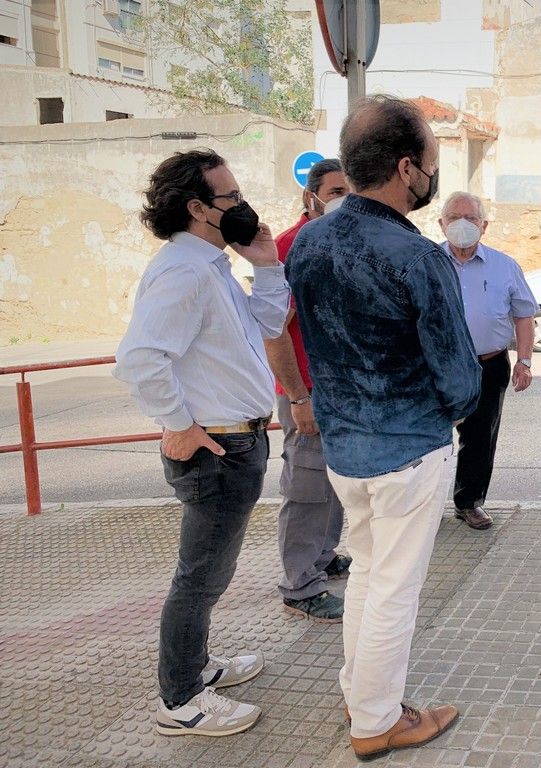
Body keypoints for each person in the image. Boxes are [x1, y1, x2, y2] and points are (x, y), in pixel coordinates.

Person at [285, 95, 480, 761]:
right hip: (406, 448)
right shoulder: (416, 255)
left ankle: (361, 694)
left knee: (368, 575)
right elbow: (458, 379)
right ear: (406, 168)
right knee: (392, 587)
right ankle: (374, 722)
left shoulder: (309, 240)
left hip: (342, 445)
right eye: (429, 165)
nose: (430, 177)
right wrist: (447, 408)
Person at [113, 149, 289, 736]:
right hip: (215, 448)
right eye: (231, 197)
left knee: (210, 573)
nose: (244, 206)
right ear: (196, 207)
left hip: (236, 442)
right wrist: (181, 423)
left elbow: (265, 328)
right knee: (199, 578)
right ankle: (180, 701)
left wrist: (266, 265)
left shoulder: (211, 266)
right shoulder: (185, 270)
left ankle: (198, 667)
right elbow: (141, 357)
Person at [263, 158, 351, 623]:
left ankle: (322, 556)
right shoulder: (290, 248)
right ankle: (300, 584)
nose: (344, 200)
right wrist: (298, 397)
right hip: (308, 392)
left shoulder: (340, 242)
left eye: (350, 191)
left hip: (340, 389)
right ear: (310, 196)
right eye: (335, 191)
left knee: (333, 481)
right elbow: (276, 331)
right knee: (306, 484)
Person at [438, 191, 539, 530]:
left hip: (490, 363)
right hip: (439, 366)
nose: (461, 225)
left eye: (470, 218)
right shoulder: (427, 262)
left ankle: (468, 502)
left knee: (480, 437)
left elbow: (524, 316)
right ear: (441, 223)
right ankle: (420, 508)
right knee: (429, 437)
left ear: (484, 225)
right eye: (454, 218)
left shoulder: (505, 266)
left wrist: (524, 361)